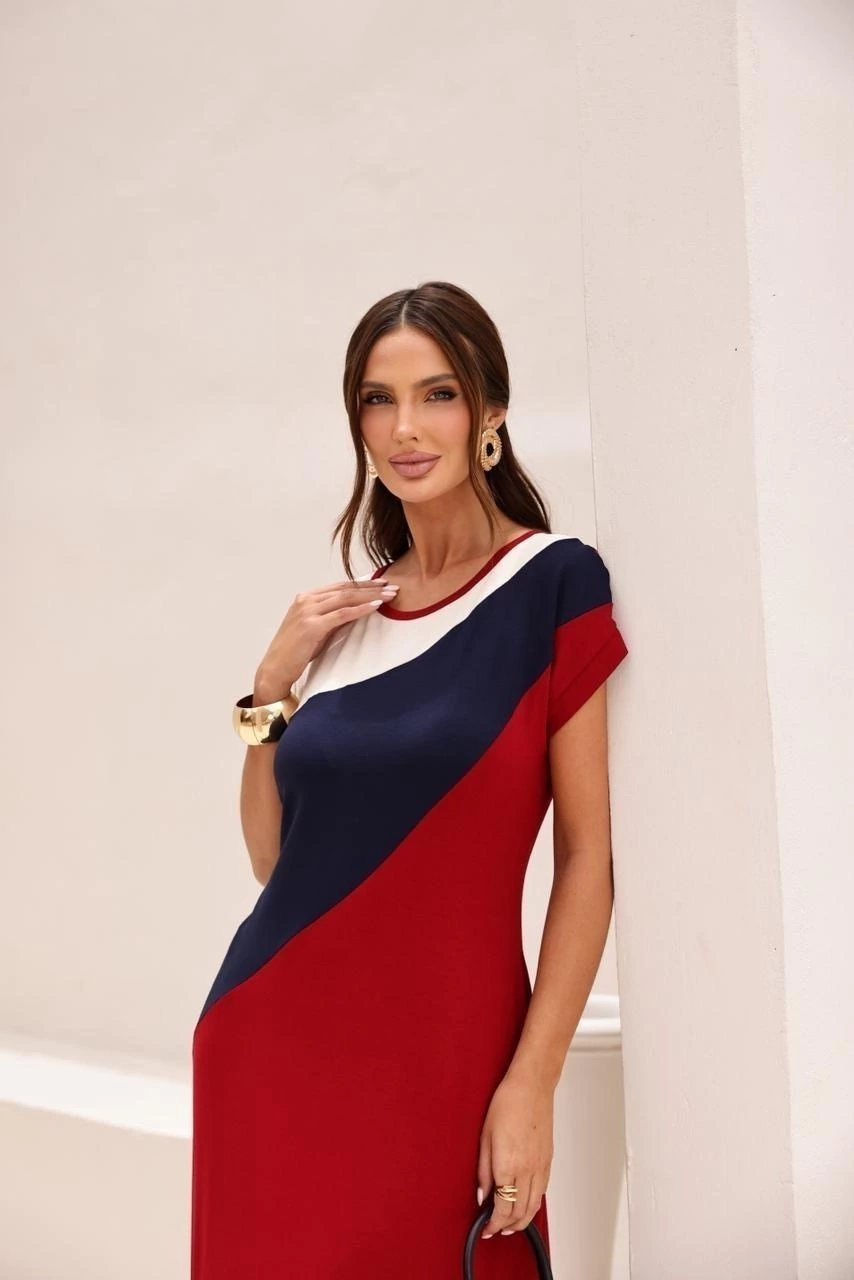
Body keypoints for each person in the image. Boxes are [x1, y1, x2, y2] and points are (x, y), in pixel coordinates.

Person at [190, 280, 629, 1278]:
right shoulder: (351, 618)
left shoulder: (553, 584)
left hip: (449, 1066)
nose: (404, 428)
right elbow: (276, 862)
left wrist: (531, 1083)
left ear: (490, 412)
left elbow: (586, 857)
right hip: (271, 1048)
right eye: (377, 400)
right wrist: (269, 688)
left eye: (437, 394)